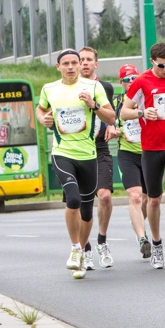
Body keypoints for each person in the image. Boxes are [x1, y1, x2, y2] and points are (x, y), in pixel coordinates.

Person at [36, 49, 115, 276]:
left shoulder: (93, 88)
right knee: (73, 199)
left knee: (87, 211)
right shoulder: (49, 89)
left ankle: (81, 253)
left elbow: (111, 118)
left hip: (88, 154)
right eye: (66, 63)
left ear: (80, 65)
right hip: (62, 153)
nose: (70, 67)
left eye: (74, 63)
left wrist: (94, 105)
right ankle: (74, 248)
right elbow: (41, 110)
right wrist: (44, 119)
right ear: (58, 66)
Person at [120, 43, 165, 269]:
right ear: (152, 62)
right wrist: (142, 112)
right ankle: (157, 245)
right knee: (154, 198)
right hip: (151, 147)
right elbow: (124, 112)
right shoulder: (141, 81)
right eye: (162, 66)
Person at [79, 46, 117, 269]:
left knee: (104, 196)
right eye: (80, 59)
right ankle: (83, 248)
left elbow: (112, 113)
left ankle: (102, 240)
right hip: (74, 150)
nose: (84, 63)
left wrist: (112, 126)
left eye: (88, 60)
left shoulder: (105, 87)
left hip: (99, 146)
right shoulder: (66, 88)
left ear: (96, 64)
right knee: (80, 204)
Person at [114, 64, 152, 259]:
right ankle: (142, 238)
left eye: (134, 79)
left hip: (148, 153)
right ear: (121, 82)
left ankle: (137, 221)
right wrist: (113, 130)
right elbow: (108, 125)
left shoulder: (147, 99)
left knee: (147, 199)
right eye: (127, 79)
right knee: (135, 196)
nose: (131, 82)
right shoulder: (117, 103)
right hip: (127, 154)